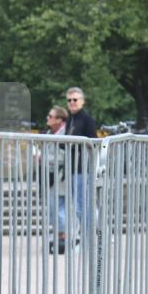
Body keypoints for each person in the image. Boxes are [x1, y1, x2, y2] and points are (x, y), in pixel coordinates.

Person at [64, 87, 97, 245]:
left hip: (84, 168)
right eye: (69, 100)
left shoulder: (86, 119)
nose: (72, 103)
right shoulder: (71, 120)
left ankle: (90, 238)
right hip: (74, 168)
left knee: (83, 206)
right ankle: (90, 236)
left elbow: (93, 142)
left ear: (82, 101)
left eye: (75, 100)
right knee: (79, 206)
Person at [44, 106, 69, 254]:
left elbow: (64, 155)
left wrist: (47, 159)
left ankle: (63, 237)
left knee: (60, 207)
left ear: (59, 119)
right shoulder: (50, 132)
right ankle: (60, 236)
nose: (48, 118)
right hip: (52, 174)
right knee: (55, 207)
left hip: (62, 174)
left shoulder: (65, 133)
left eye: (50, 116)